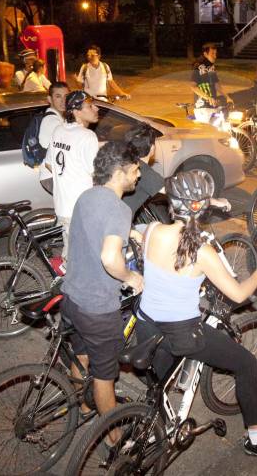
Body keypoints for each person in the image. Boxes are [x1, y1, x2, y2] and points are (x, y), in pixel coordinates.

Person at [134, 170, 257, 464]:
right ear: (200, 208)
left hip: (145, 325)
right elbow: (237, 294)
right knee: (246, 363)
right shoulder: (203, 251)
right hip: (180, 333)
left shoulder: (153, 230)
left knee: (158, 386)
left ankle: (153, 427)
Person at [60, 141, 143, 440]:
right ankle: (115, 440)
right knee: (105, 377)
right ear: (119, 173)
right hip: (97, 309)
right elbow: (110, 258)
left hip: (71, 298)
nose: (138, 175)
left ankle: (82, 408)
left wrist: (129, 233)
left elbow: (92, 230)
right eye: (135, 170)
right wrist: (131, 277)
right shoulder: (119, 208)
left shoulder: (87, 196)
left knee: (80, 356)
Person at [122, 124, 231, 219]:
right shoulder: (143, 172)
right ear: (152, 148)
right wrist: (216, 202)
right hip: (119, 226)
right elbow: (182, 193)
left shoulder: (125, 162)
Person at [46, 91, 100, 262]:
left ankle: (64, 273)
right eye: (90, 106)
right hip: (81, 209)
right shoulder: (87, 136)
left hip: (63, 205)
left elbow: (49, 164)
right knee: (80, 258)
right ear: (76, 111)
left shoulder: (58, 130)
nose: (96, 108)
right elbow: (96, 174)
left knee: (72, 253)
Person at [37, 82, 67, 193]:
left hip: (52, 173)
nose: (63, 101)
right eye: (58, 96)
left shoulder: (58, 118)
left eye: (66, 96)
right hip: (51, 176)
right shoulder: (52, 122)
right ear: (49, 99)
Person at [191, 42, 231, 123]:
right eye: (212, 54)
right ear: (205, 54)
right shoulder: (198, 66)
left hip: (213, 105)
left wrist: (227, 97)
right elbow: (193, 86)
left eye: (215, 54)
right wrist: (208, 98)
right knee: (210, 128)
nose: (215, 56)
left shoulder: (211, 67)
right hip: (202, 107)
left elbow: (217, 85)